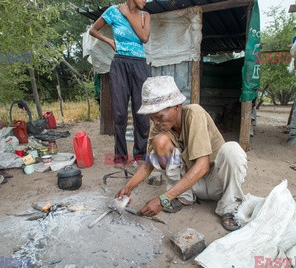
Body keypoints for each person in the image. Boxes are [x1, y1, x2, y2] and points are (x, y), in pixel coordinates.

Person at [115, 76, 248, 230]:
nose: (156, 122)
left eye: (159, 116)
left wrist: (163, 199)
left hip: (217, 182)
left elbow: (203, 165)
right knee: (160, 141)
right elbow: (148, 165)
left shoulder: (194, 113)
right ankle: (183, 197)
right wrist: (128, 187)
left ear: (177, 106)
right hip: (191, 184)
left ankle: (230, 207)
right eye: (151, 118)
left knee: (232, 149)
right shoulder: (159, 126)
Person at [89, 0, 151, 167]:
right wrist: (108, 41)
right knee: (119, 114)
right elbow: (92, 30)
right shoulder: (112, 11)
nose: (146, 0)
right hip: (120, 64)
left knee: (142, 115)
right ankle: (120, 157)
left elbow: (144, 38)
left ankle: (139, 156)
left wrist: (128, 15)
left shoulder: (145, 16)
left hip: (139, 65)